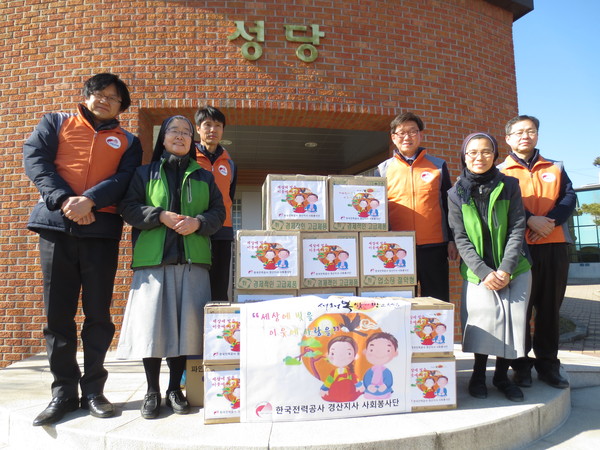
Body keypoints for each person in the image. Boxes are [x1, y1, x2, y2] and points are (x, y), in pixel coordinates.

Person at [23, 73, 143, 426]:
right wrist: (65, 200)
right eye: (99, 93)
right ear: (86, 95)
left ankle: (93, 390)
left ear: (122, 106)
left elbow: (125, 179)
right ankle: (63, 392)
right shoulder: (55, 122)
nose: (104, 99)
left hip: (101, 233)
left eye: (113, 97)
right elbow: (36, 161)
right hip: (56, 227)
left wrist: (89, 200)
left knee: (98, 315)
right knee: (56, 316)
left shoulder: (128, 140)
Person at [116, 115, 225, 419]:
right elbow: (128, 207)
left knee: (185, 329)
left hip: (193, 261)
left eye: (186, 133)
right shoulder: (144, 172)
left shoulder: (204, 176)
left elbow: (218, 211)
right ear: (162, 138)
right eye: (174, 131)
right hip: (153, 261)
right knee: (153, 328)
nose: (180, 136)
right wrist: (159, 215)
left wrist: (199, 223)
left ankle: (173, 389)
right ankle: (152, 390)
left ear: (193, 141)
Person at [448, 132, 532, 402]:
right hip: (478, 271)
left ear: (495, 155)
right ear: (464, 156)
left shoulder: (509, 184)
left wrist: (506, 268)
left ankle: (501, 377)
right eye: (472, 152)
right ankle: (478, 374)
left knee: (512, 321)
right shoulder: (455, 192)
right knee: (483, 319)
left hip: (514, 267)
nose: (479, 157)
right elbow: (460, 238)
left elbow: (518, 228)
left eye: (485, 151)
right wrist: (485, 272)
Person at [498, 115, 577, 389]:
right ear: (508, 138)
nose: (525, 136)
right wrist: (530, 218)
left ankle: (548, 365)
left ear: (537, 136)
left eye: (530, 131)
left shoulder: (555, 167)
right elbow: (505, 203)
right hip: (519, 249)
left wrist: (551, 221)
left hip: (554, 245)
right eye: (519, 132)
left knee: (549, 309)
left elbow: (569, 197)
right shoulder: (500, 170)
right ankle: (520, 366)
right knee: (519, 309)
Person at [376, 112, 458, 302]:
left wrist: (452, 239)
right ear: (393, 137)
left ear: (420, 135)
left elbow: (449, 206)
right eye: (402, 132)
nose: (407, 137)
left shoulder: (438, 166)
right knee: (401, 303)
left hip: (434, 246)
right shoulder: (383, 169)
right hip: (396, 248)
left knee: (437, 303)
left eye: (413, 131)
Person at [195, 106, 237, 301]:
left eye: (218, 126)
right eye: (207, 125)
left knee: (219, 288)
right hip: (193, 228)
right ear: (198, 129)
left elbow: (229, 195)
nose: (213, 130)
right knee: (195, 284)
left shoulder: (229, 163)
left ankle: (217, 329)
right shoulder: (188, 158)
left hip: (223, 229)